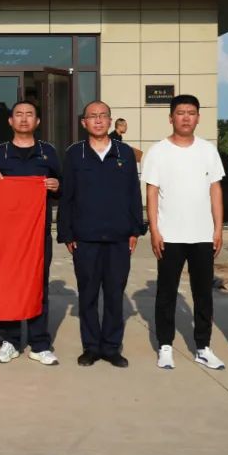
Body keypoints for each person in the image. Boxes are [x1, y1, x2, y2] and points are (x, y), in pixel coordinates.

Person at [142, 94, 225, 371]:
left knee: (203, 294)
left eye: (191, 112)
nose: (186, 117)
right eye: (180, 112)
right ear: (171, 118)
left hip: (202, 235)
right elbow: (151, 193)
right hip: (170, 236)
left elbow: (215, 190)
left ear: (198, 117)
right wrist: (155, 230)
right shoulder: (158, 151)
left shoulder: (208, 150)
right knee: (166, 293)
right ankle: (165, 346)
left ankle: (203, 347)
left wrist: (217, 228)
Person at [58, 100, 143, 368]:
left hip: (119, 237)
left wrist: (135, 229)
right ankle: (91, 347)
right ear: (84, 122)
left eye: (103, 115)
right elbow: (67, 196)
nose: (98, 120)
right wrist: (66, 233)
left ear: (110, 120)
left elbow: (133, 193)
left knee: (115, 294)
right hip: (85, 238)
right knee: (88, 295)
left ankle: (111, 347)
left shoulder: (124, 152)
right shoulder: (75, 154)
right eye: (92, 116)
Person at [0, 100, 65, 366]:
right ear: (10, 121)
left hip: (37, 233)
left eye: (29, 115)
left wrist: (56, 185)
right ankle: (9, 341)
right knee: (7, 284)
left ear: (37, 121)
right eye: (18, 115)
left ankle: (39, 344)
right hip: (6, 235)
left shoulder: (48, 152)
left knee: (38, 285)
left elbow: (64, 187)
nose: (23, 119)